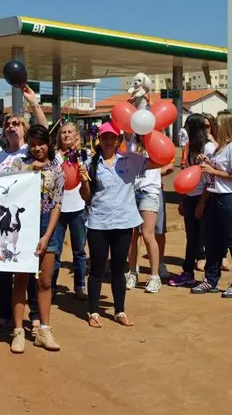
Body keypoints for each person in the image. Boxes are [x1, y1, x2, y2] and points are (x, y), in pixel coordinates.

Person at [80, 122, 163, 328]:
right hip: (98, 223)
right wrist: (83, 182)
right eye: (105, 137)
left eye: (113, 137)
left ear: (118, 140)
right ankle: (93, 311)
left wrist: (148, 137)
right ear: (100, 139)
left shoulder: (131, 160)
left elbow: (157, 162)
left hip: (124, 222)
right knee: (97, 269)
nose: (109, 141)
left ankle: (119, 311)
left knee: (119, 269)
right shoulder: (91, 163)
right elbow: (86, 197)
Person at [10, 125, 63, 354]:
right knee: (21, 280)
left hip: (45, 224)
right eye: (32, 143)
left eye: (40, 143)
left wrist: (47, 235)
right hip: (22, 223)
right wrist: (30, 170)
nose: (37, 148)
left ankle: (44, 330)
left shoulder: (57, 169)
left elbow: (58, 204)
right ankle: (19, 331)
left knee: (45, 281)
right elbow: (9, 189)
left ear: (48, 143)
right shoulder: (19, 163)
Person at [0, 112, 39, 334]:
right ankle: (4, 314)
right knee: (2, 270)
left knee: (28, 269)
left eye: (16, 124)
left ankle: (35, 314)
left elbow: (45, 130)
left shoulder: (30, 151)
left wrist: (34, 103)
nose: (12, 127)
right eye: (8, 125)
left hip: (26, 220)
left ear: (24, 128)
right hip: (2, 222)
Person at [193, 110, 232, 298]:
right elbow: (217, 171)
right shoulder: (219, 148)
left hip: (228, 198)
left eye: (217, 124)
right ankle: (210, 280)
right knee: (212, 241)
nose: (214, 128)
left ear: (226, 126)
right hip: (215, 197)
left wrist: (212, 170)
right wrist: (206, 162)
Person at [169, 114, 216, 287]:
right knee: (192, 237)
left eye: (188, 127)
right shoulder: (189, 148)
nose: (185, 131)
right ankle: (188, 272)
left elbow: (211, 179)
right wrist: (183, 198)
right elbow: (186, 177)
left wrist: (203, 202)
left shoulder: (210, 148)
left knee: (207, 236)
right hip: (190, 198)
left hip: (205, 198)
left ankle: (210, 276)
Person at [125, 134, 174, 294]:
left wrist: (156, 170)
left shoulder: (157, 140)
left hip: (149, 192)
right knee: (133, 234)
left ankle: (154, 276)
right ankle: (132, 272)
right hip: (132, 190)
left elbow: (169, 164)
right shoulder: (131, 140)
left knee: (147, 234)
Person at [52, 121, 88, 300]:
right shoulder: (54, 156)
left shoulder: (84, 155)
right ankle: (51, 286)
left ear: (76, 135)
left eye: (70, 132)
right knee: (55, 251)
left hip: (78, 208)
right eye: (63, 132)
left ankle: (80, 285)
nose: (66, 135)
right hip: (57, 209)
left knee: (79, 250)